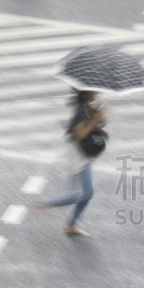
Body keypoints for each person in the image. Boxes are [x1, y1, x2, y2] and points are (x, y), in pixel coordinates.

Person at [36, 91, 105, 236]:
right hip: (77, 156)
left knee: (87, 193)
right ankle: (48, 205)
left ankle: (71, 224)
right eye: (94, 91)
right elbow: (79, 135)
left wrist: (98, 116)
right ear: (86, 93)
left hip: (82, 155)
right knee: (88, 192)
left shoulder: (86, 107)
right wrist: (94, 119)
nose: (97, 93)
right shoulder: (79, 111)